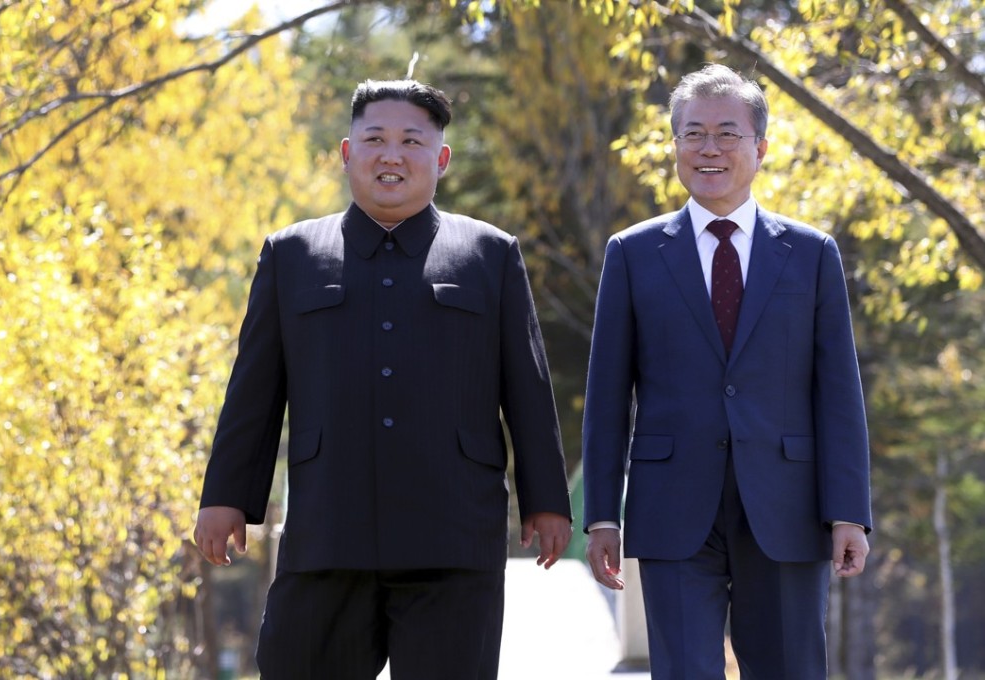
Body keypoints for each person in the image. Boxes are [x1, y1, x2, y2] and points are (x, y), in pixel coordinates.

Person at [193, 79, 572, 680]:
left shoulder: (489, 254)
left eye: (411, 141)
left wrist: (547, 501)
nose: (391, 155)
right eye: (374, 139)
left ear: (440, 159)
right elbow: (255, 390)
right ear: (347, 153)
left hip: (454, 534)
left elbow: (526, 386)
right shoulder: (291, 254)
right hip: (327, 532)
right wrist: (225, 497)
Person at [581, 64, 872, 679]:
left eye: (726, 133)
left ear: (760, 148)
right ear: (675, 146)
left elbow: (838, 392)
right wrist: (604, 514)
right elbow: (607, 395)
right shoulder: (631, 254)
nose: (708, 148)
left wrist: (849, 509)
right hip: (672, 510)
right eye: (693, 134)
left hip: (789, 508)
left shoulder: (812, 253)